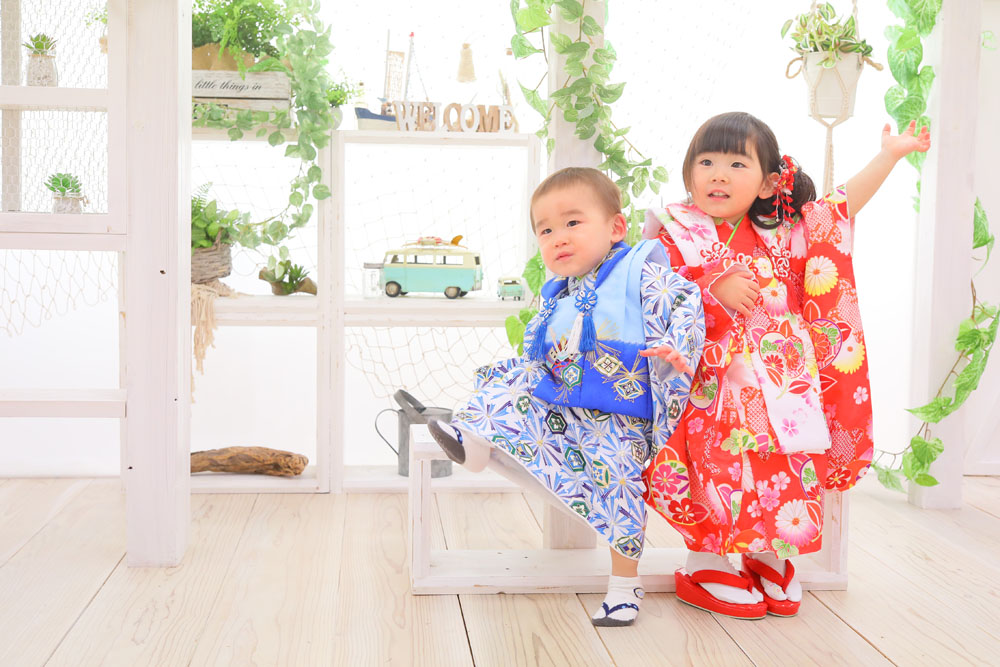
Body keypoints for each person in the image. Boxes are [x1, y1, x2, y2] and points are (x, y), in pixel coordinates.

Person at [642, 112, 930, 619]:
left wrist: (888, 156)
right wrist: (711, 286)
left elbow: (838, 209)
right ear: (688, 173)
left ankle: (768, 552)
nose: (718, 174)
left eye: (737, 164)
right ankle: (705, 559)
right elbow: (648, 294)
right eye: (706, 162)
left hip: (785, 386)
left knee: (784, 467)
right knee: (717, 471)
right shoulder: (674, 232)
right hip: (709, 388)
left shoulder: (783, 234)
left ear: (769, 183)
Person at [428, 167, 706, 626]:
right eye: (546, 230)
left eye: (573, 222)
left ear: (616, 228)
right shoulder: (558, 291)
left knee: (618, 481)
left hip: (618, 410)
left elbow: (684, 299)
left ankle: (624, 587)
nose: (558, 237)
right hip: (564, 400)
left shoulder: (638, 270)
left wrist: (677, 347)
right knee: (511, 380)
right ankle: (473, 439)